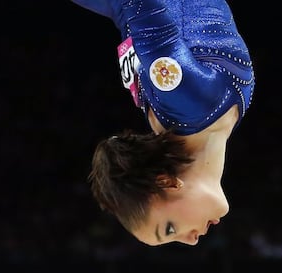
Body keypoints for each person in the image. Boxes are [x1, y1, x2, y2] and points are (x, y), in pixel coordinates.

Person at [70, 0, 255, 246]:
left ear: (166, 182)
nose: (191, 241)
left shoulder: (186, 100)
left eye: (169, 229)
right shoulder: (187, 122)